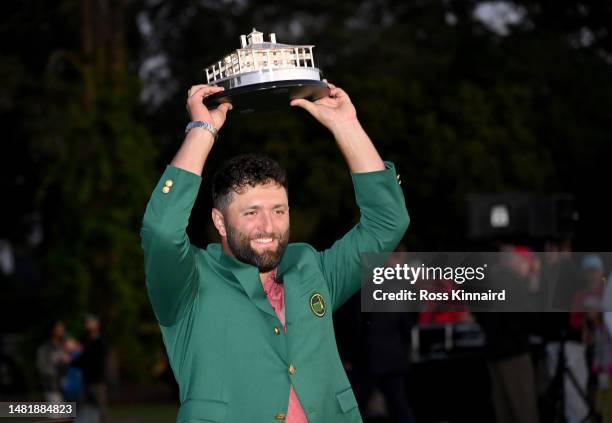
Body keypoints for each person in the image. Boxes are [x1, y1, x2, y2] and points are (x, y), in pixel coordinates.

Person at [140, 81, 409, 422]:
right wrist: (202, 130)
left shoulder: (312, 268)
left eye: (279, 210)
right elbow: (161, 231)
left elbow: (387, 222)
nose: (268, 225)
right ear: (220, 222)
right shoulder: (187, 282)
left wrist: (347, 126)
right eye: (251, 212)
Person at [36, 321, 68, 402]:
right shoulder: (45, 349)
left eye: (62, 328)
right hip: (53, 389)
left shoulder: (66, 346)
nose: (62, 331)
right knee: (55, 414)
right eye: (59, 328)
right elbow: (42, 367)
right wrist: (57, 364)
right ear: (53, 330)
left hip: (69, 389)